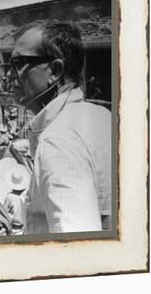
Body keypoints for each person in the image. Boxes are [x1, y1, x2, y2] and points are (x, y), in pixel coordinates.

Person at [10, 20, 111, 233]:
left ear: (54, 71)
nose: (11, 75)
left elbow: (76, 249)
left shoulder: (57, 140)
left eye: (19, 63)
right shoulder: (102, 115)